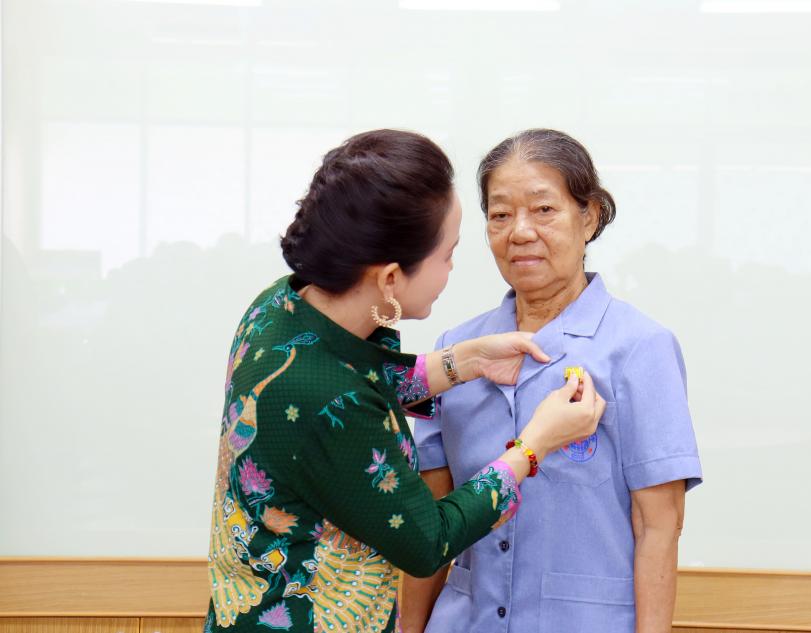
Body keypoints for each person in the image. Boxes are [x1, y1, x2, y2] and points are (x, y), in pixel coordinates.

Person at [204, 129, 606, 632]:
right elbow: (427, 541)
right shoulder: (330, 396)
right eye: (447, 255)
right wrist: (533, 446)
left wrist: (463, 361)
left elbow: (355, 376)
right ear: (392, 278)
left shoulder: (278, 308)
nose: (453, 269)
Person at [402, 129, 703, 633]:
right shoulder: (457, 350)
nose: (519, 231)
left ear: (589, 217)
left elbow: (659, 525)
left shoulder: (639, 347)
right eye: (500, 214)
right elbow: (431, 519)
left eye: (543, 210)